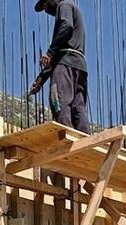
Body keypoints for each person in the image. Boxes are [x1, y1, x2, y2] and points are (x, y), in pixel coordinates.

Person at [35, 0, 90, 133]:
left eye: (46, 6)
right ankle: (84, 137)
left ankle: (66, 135)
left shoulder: (64, 5)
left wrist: (50, 51)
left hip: (66, 64)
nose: (47, 11)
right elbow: (57, 57)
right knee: (78, 106)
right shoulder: (72, 9)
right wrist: (40, 80)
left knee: (58, 100)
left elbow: (67, 26)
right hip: (79, 66)